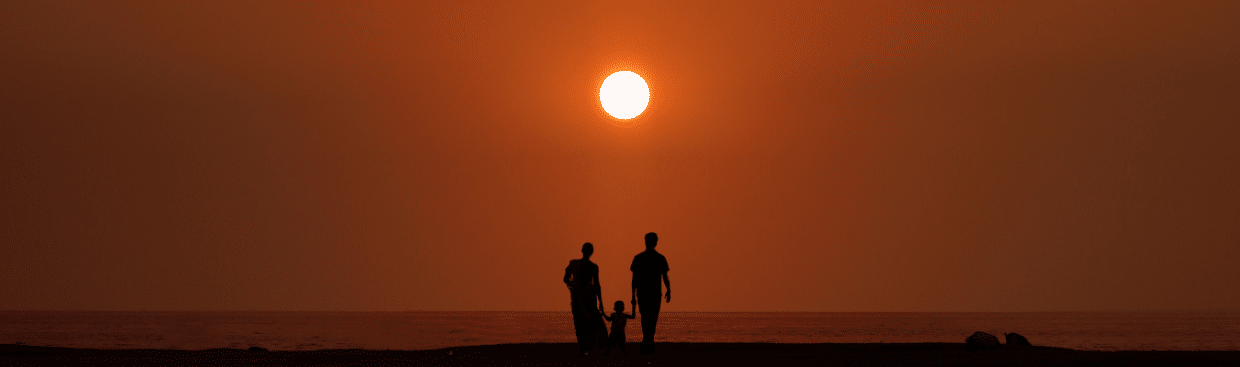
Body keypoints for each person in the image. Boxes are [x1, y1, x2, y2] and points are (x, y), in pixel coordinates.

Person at [564, 242, 607, 356]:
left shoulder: (576, 264)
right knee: (584, 322)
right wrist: (600, 301)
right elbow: (597, 285)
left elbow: (566, 279)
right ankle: (585, 348)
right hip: (584, 297)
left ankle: (585, 348)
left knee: (582, 323)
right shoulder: (588, 266)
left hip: (583, 297)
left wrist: (572, 285)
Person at [630, 232, 670, 355]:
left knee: (648, 317)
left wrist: (669, 289)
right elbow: (635, 278)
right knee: (650, 317)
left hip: (648, 292)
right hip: (649, 293)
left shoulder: (641, 258)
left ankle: (648, 340)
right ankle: (648, 340)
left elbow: (664, 276)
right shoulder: (657, 258)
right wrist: (669, 289)